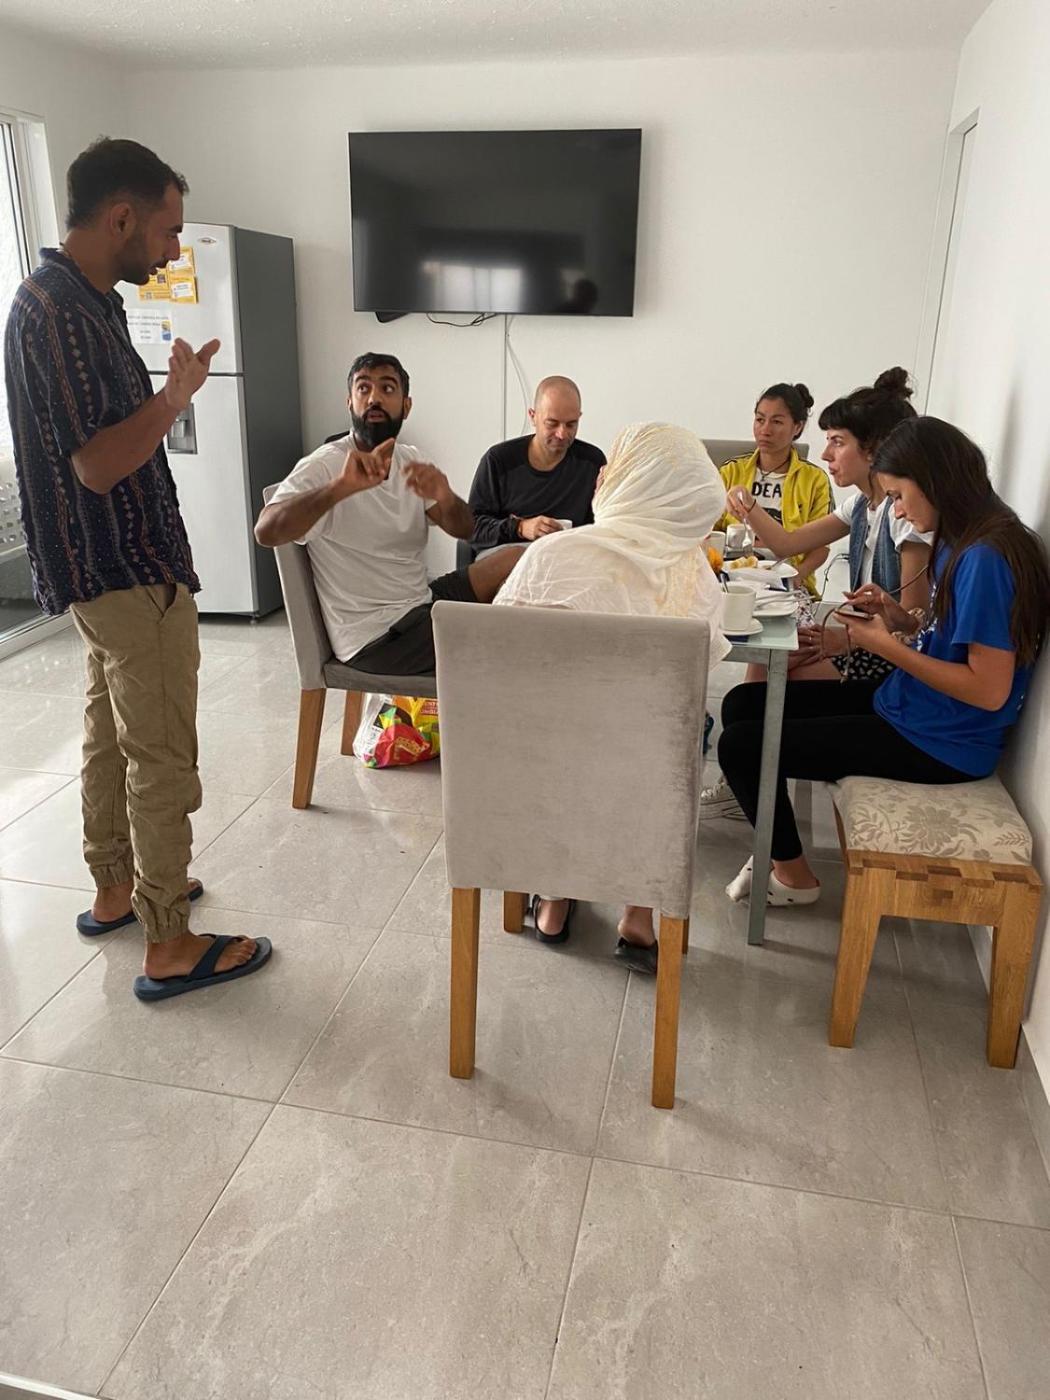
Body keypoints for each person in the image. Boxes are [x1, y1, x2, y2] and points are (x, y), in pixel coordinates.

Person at [3, 137, 270, 1000]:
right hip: (121, 565)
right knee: (161, 755)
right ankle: (169, 940)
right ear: (121, 217)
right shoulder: (60, 314)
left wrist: (168, 396)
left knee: (111, 736)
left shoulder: (75, 301)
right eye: (167, 230)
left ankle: (118, 889)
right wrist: (174, 398)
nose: (173, 249)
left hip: (99, 569)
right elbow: (98, 464)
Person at [717, 415, 1050, 907]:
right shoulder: (963, 538)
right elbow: (947, 637)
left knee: (741, 746)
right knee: (744, 703)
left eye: (898, 495)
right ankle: (777, 845)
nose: (897, 510)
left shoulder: (986, 558)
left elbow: (988, 689)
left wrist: (883, 645)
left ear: (933, 480)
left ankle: (793, 876)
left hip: (942, 742)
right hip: (914, 707)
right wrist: (896, 617)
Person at [495, 421, 729, 970]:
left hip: (546, 769)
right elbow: (695, 679)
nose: (600, 473)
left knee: (551, 735)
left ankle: (554, 897)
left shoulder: (550, 557)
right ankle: (638, 915)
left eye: (614, 464)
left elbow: (500, 661)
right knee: (674, 738)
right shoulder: (694, 573)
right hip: (641, 775)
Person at [700, 368, 931, 819]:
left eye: (837, 442)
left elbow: (914, 621)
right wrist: (747, 504)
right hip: (863, 642)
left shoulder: (904, 516)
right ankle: (751, 787)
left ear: (875, 448)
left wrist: (845, 640)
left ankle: (751, 782)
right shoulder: (862, 503)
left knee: (766, 675)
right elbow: (788, 543)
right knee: (766, 662)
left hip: (885, 664)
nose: (826, 454)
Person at [255, 353, 523, 675]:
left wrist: (445, 496)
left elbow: (465, 529)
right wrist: (340, 487)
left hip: (420, 603)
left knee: (520, 558)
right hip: (377, 638)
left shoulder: (410, 459)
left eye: (387, 388)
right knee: (509, 638)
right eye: (363, 388)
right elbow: (266, 531)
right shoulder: (324, 466)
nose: (374, 398)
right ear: (350, 402)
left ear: (406, 406)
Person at [467, 376, 606, 555]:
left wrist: (605, 504)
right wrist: (520, 528)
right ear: (533, 417)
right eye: (552, 424)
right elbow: (471, 528)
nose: (562, 434)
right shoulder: (499, 460)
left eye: (571, 425)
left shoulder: (592, 462)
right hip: (510, 556)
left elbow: (604, 529)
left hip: (569, 557)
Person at [716, 382, 831, 596]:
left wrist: (797, 576)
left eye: (777, 422)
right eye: (760, 420)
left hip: (787, 580)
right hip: (734, 577)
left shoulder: (815, 480)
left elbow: (821, 546)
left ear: (797, 427)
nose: (765, 430)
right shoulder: (731, 472)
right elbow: (709, 530)